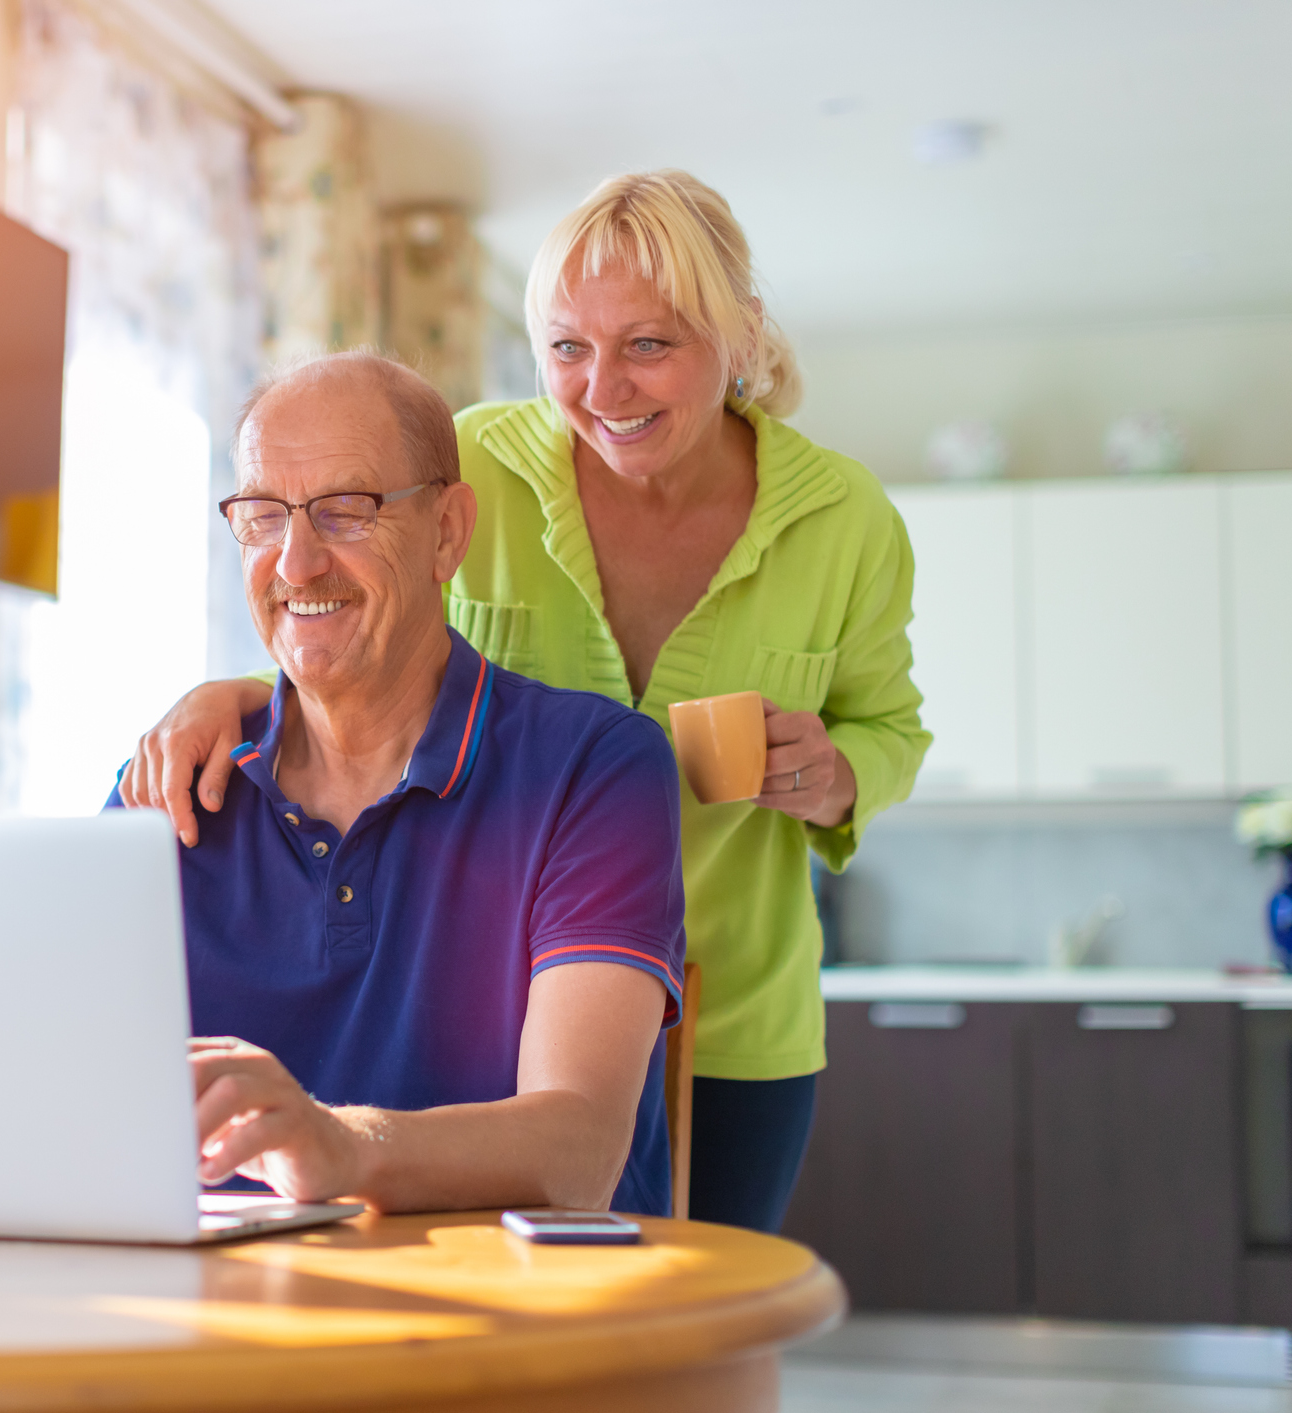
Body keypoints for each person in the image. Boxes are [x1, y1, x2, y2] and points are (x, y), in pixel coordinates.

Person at [122, 172, 930, 1233]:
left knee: (698, 1334)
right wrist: (230, 695)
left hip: (731, 1007)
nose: (605, 388)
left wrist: (838, 774)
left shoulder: (844, 520)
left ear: (740, 336)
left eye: (650, 344)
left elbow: (892, 726)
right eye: (566, 348)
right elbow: (351, 613)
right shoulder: (485, 469)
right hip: (499, 994)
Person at [110, 351, 686, 1214]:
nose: (296, 563)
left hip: (514, 1323)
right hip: (210, 1318)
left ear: (448, 533)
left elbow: (580, 1149)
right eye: (264, 516)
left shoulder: (595, 768)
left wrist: (338, 1146)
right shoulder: (169, 785)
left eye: (346, 512)